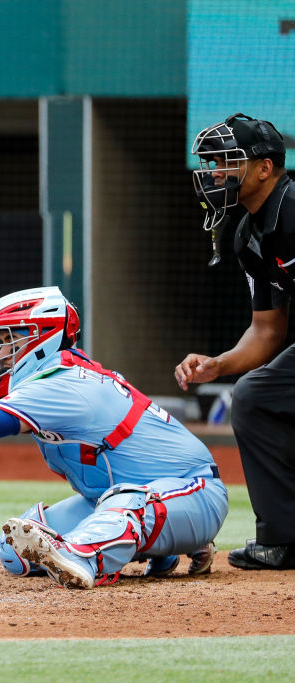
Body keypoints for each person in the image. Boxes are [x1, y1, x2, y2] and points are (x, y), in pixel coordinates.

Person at [0, 287, 226, 589]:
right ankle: (162, 546)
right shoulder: (55, 377)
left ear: (40, 339)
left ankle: (95, 555)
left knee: (115, 514)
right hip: (130, 492)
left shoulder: (61, 385)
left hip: (195, 491)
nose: (0, 352)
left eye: (8, 341)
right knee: (14, 550)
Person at [177, 113, 295, 570]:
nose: (213, 173)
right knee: (253, 395)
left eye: (226, 161)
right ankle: (283, 538)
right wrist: (218, 365)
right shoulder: (247, 236)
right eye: (211, 163)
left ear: (264, 168)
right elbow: (268, 330)